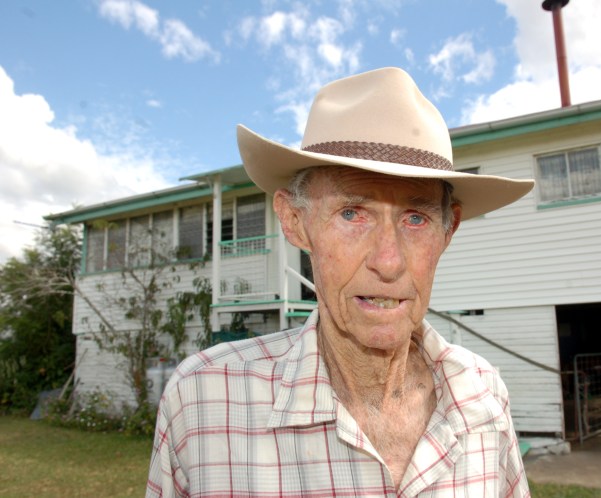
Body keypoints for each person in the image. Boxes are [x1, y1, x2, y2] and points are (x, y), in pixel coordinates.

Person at [146, 67, 534, 497]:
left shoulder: (484, 395)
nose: (388, 262)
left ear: (448, 231)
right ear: (295, 222)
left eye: (416, 217)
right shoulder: (203, 403)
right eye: (352, 213)